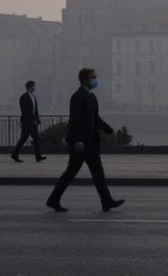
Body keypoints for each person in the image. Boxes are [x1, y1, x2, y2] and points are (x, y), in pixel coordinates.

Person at [46, 68, 124, 213]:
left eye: (95, 77)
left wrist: (109, 130)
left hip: (92, 143)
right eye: (92, 77)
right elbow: (75, 120)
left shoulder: (91, 97)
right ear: (84, 80)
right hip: (81, 144)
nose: (95, 80)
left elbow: (96, 118)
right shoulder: (78, 96)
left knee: (98, 174)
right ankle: (53, 200)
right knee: (70, 173)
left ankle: (106, 202)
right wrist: (78, 140)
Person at [11, 80, 46, 163]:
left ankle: (37, 156)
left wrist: (37, 120)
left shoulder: (33, 97)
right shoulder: (23, 97)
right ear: (29, 87)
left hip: (33, 121)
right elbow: (25, 112)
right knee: (24, 139)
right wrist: (31, 121)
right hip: (27, 122)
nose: (34, 88)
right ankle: (15, 154)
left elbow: (35, 110)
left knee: (33, 139)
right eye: (33, 86)